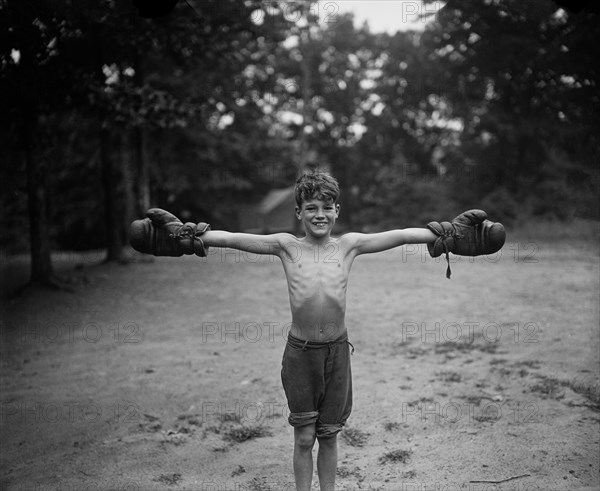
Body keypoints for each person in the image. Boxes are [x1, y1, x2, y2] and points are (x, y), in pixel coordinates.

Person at [129, 170, 505, 491]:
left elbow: (403, 234)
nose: (320, 215)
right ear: (298, 213)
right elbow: (230, 238)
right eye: (311, 208)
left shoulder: (349, 246)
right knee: (304, 435)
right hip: (301, 355)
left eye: (327, 208)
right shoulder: (287, 246)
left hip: (336, 353)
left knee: (329, 434)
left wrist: (446, 234)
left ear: (337, 211)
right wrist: (186, 236)